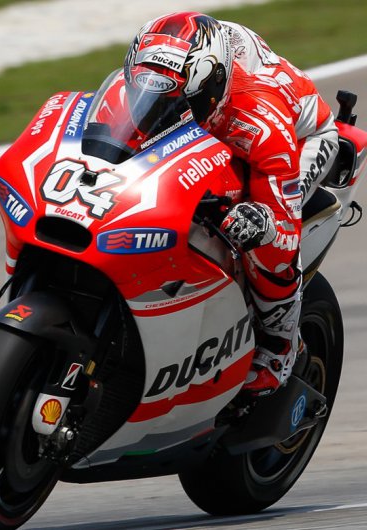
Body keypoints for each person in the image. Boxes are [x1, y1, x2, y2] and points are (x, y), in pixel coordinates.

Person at [113, 12, 339, 395]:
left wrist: (264, 224)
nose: (164, 109)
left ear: (212, 87)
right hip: (224, 102)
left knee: (262, 236)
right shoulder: (157, 72)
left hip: (302, 139)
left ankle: (280, 346)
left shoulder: (259, 121)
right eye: (153, 98)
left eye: (180, 102)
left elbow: (283, 232)